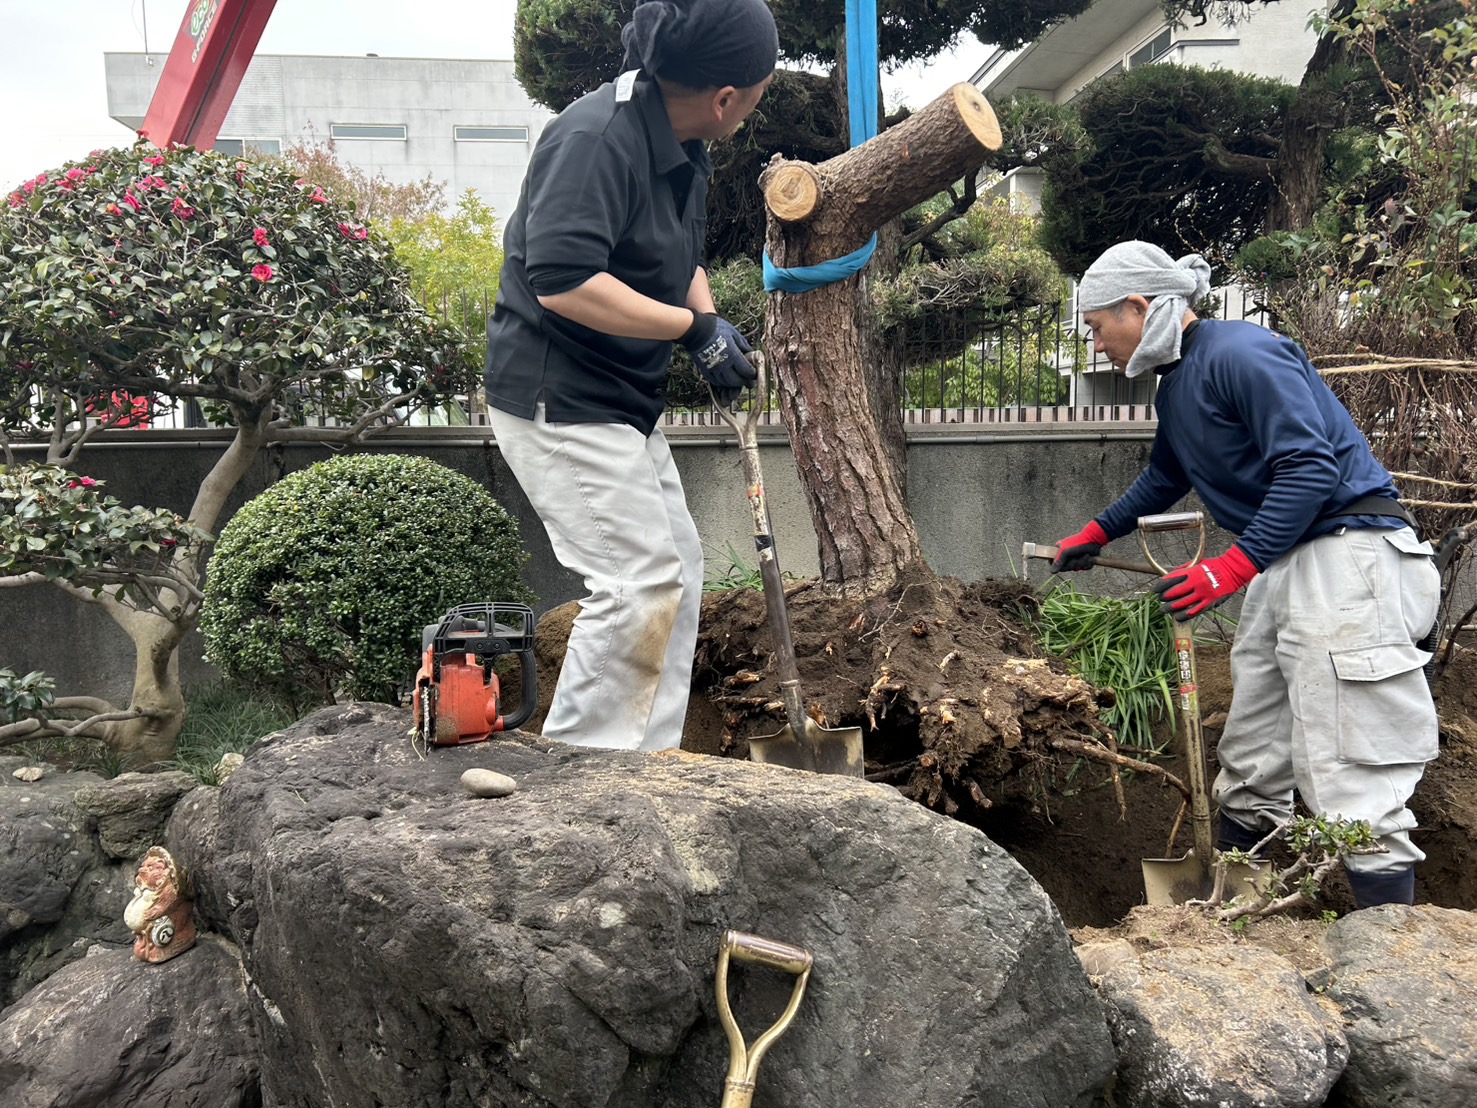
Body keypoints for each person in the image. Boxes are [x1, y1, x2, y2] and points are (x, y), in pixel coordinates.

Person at [1051, 240, 1441, 909]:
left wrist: (1229, 568)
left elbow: (1310, 468)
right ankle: (1239, 921)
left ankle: (1389, 967)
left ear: (1138, 306)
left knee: (1352, 774)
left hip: (1347, 559)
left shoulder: (1240, 354)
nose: (1096, 345)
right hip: (1288, 564)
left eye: (1096, 327)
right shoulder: (1179, 382)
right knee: (1254, 755)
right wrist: (1096, 530)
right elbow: (1165, 478)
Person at [484, 0, 777, 752]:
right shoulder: (595, 139)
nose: (754, 104)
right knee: (636, 585)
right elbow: (563, 279)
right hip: (560, 399)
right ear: (725, 98)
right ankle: (588, 778)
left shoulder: (682, 138)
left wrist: (711, 327)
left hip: (619, 400)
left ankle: (647, 767)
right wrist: (691, 330)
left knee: (676, 575)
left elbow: (679, 258)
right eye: (758, 91)